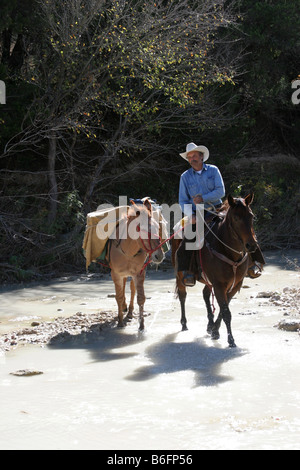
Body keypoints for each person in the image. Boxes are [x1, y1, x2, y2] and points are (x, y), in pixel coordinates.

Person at [176, 142, 225, 286]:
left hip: (217, 208)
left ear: (201, 156)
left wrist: (203, 198)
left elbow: (220, 191)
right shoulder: (185, 177)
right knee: (187, 240)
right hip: (197, 213)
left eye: (194, 156)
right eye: (189, 157)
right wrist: (190, 215)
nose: (192, 159)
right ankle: (188, 272)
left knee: (239, 226)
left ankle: (252, 263)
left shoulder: (213, 170)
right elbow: (183, 200)